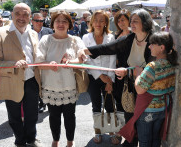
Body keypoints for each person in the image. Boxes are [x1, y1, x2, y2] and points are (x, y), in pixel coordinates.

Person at [78, 8, 155, 147]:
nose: (132, 23)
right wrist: (84, 51)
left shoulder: (153, 39)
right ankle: (132, 140)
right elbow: (107, 48)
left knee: (144, 118)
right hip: (131, 86)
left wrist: (130, 71)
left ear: (145, 22)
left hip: (147, 87)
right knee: (130, 114)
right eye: (131, 20)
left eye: (135, 21)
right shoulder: (130, 38)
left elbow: (154, 65)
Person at [0, 3, 42, 147]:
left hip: (32, 80)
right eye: (18, 13)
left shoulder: (33, 33)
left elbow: (37, 57)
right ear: (12, 15)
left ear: (30, 17)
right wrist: (13, 64)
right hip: (11, 80)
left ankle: (31, 138)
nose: (21, 17)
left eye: (25, 14)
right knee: (14, 117)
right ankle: (20, 140)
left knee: (32, 115)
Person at [35, 11, 86, 147]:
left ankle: (70, 141)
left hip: (69, 86)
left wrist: (72, 61)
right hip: (51, 86)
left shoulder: (75, 40)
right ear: (52, 24)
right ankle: (55, 140)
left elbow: (82, 59)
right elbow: (38, 62)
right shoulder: (46, 39)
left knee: (70, 116)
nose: (61, 24)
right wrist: (49, 65)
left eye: (64, 21)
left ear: (70, 24)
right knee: (54, 116)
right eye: (58, 21)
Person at [121, 32, 177, 147]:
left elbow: (140, 90)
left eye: (152, 44)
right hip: (163, 109)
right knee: (156, 139)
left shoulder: (152, 66)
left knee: (145, 141)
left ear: (161, 48)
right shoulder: (171, 65)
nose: (149, 46)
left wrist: (138, 75)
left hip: (148, 110)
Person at [82, 10, 118, 145]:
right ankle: (98, 131)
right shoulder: (86, 38)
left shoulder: (110, 37)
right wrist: (99, 75)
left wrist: (110, 80)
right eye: (96, 20)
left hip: (108, 76)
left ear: (106, 23)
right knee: (96, 105)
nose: (98, 23)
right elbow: (86, 59)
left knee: (110, 104)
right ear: (91, 22)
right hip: (93, 77)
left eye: (102, 20)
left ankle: (112, 131)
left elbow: (112, 59)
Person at [31, 13, 53, 113]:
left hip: (46, 62)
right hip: (34, 63)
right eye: (37, 21)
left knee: (46, 83)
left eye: (41, 21)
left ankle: (47, 103)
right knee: (37, 83)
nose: (39, 23)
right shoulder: (28, 32)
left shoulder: (49, 31)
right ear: (32, 21)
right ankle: (41, 103)